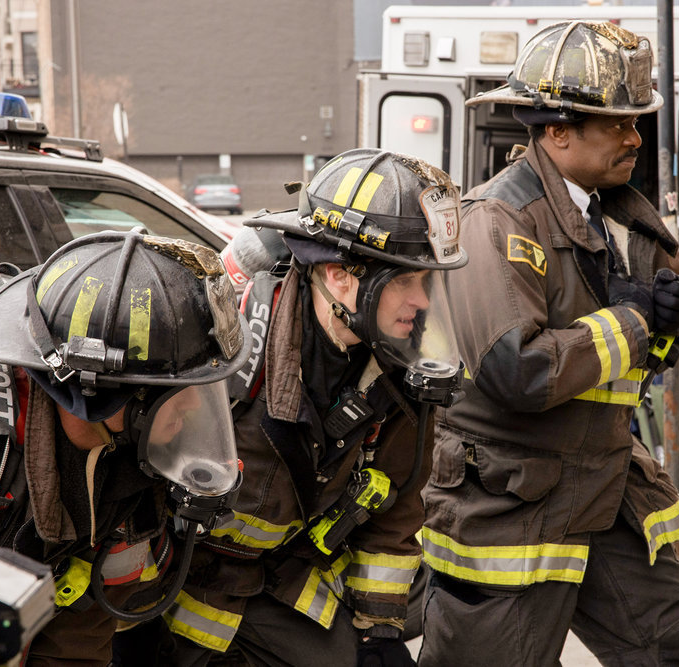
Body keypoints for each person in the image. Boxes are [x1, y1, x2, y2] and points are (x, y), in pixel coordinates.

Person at [417, 21, 679, 667]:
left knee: (673, 647)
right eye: (617, 123)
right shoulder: (494, 222)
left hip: (605, 482)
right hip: (513, 499)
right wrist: (638, 324)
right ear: (556, 130)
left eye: (637, 121)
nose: (635, 137)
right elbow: (517, 371)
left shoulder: (624, 218)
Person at [116, 148, 467, 667]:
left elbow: (392, 516)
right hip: (174, 587)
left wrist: (379, 634)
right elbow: (127, 494)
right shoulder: (225, 354)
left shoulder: (398, 374)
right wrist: (128, 623)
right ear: (341, 275)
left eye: (429, 281)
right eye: (406, 280)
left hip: (276, 582)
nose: (423, 302)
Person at [0, 229, 252, 666]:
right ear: (108, 395)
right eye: (179, 391)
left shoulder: (119, 468)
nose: (197, 407)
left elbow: (78, 631)